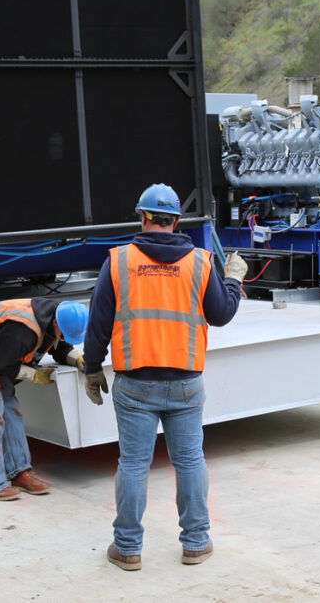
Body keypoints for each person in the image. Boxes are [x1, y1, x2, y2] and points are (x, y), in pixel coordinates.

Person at [83, 183, 247, 571]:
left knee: (133, 465)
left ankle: (127, 549)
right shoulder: (201, 263)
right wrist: (233, 279)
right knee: (189, 462)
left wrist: (91, 367)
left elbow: (98, 323)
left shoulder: (119, 262)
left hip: (135, 383)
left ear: (142, 217)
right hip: (186, 381)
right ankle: (196, 543)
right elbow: (221, 314)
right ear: (175, 221)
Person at [0, 297, 89, 501]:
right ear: (56, 322)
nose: (64, 337)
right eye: (64, 333)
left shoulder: (56, 318)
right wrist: (33, 375)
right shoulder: (23, 329)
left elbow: (59, 345)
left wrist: (77, 359)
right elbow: (0, 365)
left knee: (10, 409)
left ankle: (19, 473)